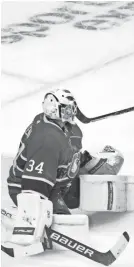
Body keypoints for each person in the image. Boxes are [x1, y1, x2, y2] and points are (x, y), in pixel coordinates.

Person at [6, 89, 124, 246]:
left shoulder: (62, 126)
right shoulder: (46, 140)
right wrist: (31, 221)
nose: (72, 113)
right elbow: (34, 185)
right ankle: (53, 217)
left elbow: (65, 151)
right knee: (68, 226)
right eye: (68, 109)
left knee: (110, 164)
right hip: (35, 188)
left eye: (72, 108)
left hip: (55, 176)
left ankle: (76, 186)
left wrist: (81, 160)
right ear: (54, 110)